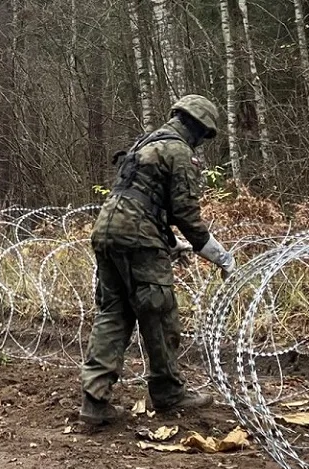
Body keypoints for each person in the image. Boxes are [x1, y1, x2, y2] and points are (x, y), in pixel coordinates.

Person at [79, 94, 236, 425]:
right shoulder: (179, 151)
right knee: (159, 312)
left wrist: (170, 242)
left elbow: (142, 200)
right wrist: (222, 257)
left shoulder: (144, 145)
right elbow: (185, 214)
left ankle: (94, 402)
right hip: (139, 238)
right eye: (204, 135)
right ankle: (168, 393)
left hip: (107, 232)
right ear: (198, 128)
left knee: (113, 314)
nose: (201, 142)